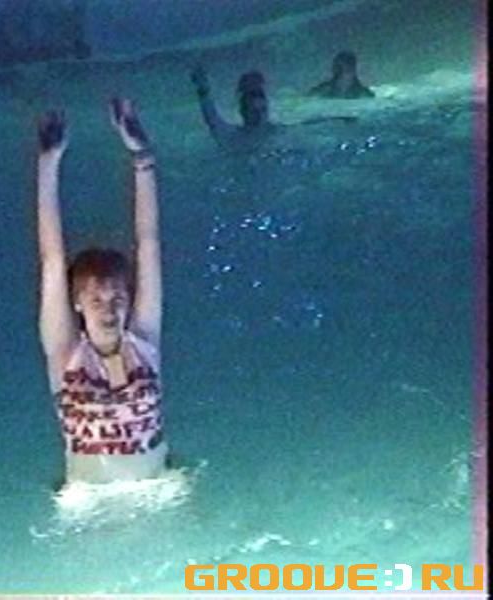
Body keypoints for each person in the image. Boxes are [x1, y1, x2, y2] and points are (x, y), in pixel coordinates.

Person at [36, 98, 167, 485]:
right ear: (77, 303)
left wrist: (142, 157)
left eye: (117, 299)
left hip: (159, 491)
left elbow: (148, 243)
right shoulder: (65, 352)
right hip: (87, 502)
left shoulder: (144, 341)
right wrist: (48, 163)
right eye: (96, 300)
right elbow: (52, 259)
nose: (109, 310)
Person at [190, 64, 357, 146]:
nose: (260, 117)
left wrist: (337, 117)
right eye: (255, 112)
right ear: (243, 112)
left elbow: (307, 124)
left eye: (262, 111)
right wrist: (202, 89)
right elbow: (211, 118)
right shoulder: (232, 136)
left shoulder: (273, 131)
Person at [308, 51, 375, 99]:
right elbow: (308, 98)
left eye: (348, 69)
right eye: (339, 68)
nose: (344, 72)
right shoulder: (323, 89)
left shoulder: (363, 94)